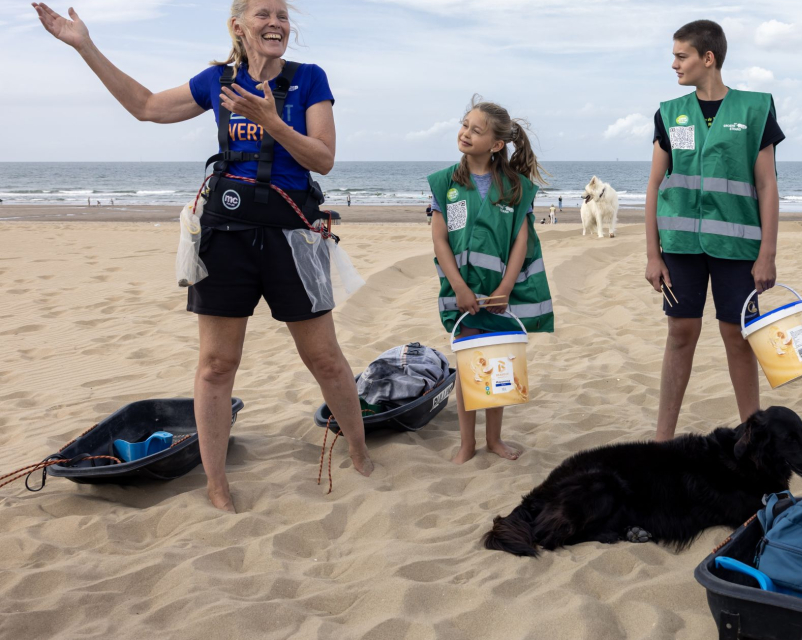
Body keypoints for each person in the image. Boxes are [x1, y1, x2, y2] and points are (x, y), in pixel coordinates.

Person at [34, 1, 374, 512]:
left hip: (293, 236)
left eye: (282, 15)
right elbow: (146, 106)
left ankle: (361, 454)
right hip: (225, 235)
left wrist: (270, 120)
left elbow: (322, 158)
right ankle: (217, 486)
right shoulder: (216, 81)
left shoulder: (309, 78)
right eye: (263, 14)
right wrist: (85, 46)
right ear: (238, 26)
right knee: (217, 364)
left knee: (324, 358)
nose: (276, 22)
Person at [644, 19, 783, 441]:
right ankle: (662, 441)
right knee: (680, 333)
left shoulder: (756, 108)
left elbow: (766, 184)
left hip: (739, 248)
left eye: (681, 55)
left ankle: (753, 435)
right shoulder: (669, 112)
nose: (674, 64)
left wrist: (768, 254)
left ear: (709, 58)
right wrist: (653, 254)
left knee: (738, 336)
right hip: (681, 245)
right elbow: (654, 185)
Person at [428, 96, 553, 464]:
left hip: (500, 297)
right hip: (462, 294)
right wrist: (461, 288)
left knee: (500, 368)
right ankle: (468, 444)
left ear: (497, 144)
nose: (465, 133)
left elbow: (520, 242)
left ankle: (495, 439)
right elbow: (439, 240)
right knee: (470, 369)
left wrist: (504, 289)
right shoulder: (444, 183)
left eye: (475, 130)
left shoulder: (516, 187)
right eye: (464, 124)